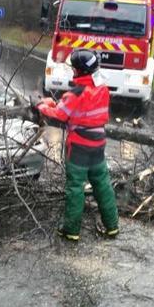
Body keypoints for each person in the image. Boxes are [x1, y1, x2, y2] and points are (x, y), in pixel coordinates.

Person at [37, 49, 119, 241]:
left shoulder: (75, 94)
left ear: (79, 71)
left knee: (75, 188)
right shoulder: (102, 89)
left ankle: (71, 230)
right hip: (98, 145)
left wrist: (41, 106)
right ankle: (112, 226)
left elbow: (60, 114)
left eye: (74, 68)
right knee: (103, 184)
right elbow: (82, 109)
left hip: (79, 148)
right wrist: (57, 103)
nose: (72, 70)